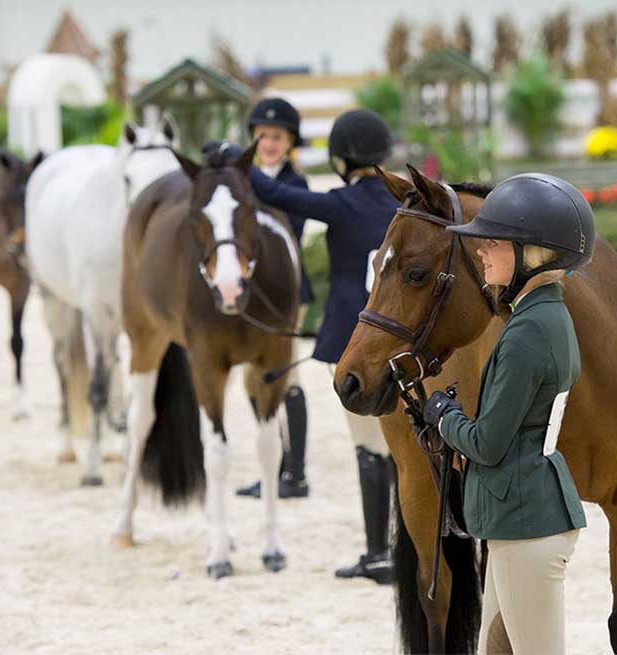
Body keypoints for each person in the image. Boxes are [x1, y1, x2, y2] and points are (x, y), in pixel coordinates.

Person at [422, 173, 596, 654]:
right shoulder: (544, 316)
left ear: (530, 253)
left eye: (492, 242)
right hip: (518, 519)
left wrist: (442, 414)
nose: (481, 252)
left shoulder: (527, 334)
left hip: (526, 526)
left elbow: (486, 443)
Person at [225, 109, 399, 584]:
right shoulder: (403, 201)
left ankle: (378, 553)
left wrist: (236, 163)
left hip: (355, 337)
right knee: (405, 442)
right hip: (407, 336)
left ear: (341, 158)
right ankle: (410, 545)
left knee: (370, 446)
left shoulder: (342, 203)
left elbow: (276, 192)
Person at [229, 97, 314, 500]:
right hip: (251, 294)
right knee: (251, 377)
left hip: (284, 293)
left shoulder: (295, 186)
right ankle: (273, 463)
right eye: (262, 136)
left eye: (277, 137)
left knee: (287, 377)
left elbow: (287, 235)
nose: (268, 143)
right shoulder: (240, 179)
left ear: (289, 142)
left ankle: (296, 474)